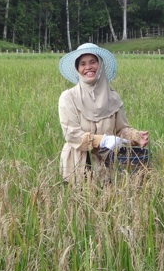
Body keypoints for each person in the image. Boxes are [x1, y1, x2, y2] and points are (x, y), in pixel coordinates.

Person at [58, 43, 149, 185]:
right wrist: (103, 140)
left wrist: (136, 136)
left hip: (107, 166)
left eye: (93, 62)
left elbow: (120, 130)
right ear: (77, 69)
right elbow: (72, 134)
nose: (88, 67)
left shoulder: (113, 98)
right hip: (77, 165)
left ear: (100, 65)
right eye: (82, 64)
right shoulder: (68, 97)